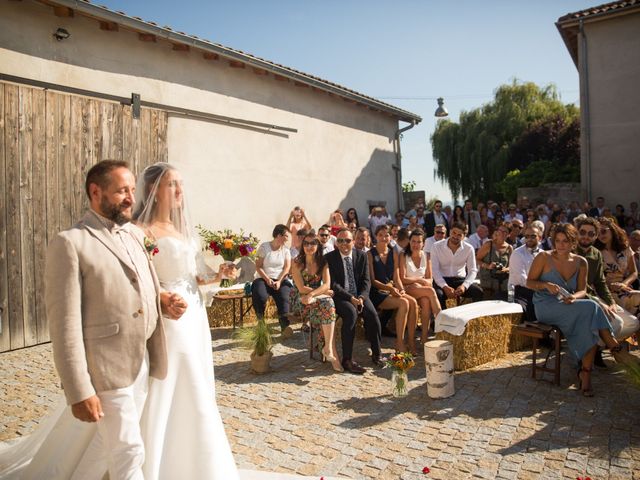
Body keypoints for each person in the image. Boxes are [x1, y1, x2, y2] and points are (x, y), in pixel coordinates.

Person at [3, 160, 184, 480]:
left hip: (141, 361)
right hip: (105, 367)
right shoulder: (70, 243)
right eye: (120, 191)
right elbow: (64, 326)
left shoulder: (134, 236)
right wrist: (78, 390)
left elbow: (142, 285)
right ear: (95, 192)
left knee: (104, 447)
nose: (130, 197)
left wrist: (162, 301)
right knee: (130, 450)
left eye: (131, 189)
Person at [133, 163, 239, 479]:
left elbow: (192, 276)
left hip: (195, 313)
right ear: (153, 190)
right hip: (170, 315)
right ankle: (157, 457)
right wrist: (160, 298)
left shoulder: (181, 230)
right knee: (175, 377)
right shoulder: (141, 231)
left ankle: (195, 459)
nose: (180, 191)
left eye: (181, 184)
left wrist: (217, 276)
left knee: (197, 377)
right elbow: (137, 278)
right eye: (172, 185)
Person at [526, 223, 632, 396]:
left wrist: (574, 297)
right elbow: (529, 282)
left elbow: (583, 290)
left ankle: (585, 373)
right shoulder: (543, 257)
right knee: (592, 307)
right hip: (545, 306)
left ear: (573, 243)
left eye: (565, 241)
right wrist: (545, 285)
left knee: (588, 322)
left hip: (569, 304)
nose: (561, 245)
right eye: (558, 241)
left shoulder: (581, 262)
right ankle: (613, 346)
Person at [575, 217, 639, 367]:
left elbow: (600, 281)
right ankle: (591, 352)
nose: (586, 236)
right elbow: (587, 286)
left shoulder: (596, 253)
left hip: (610, 292)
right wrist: (602, 300)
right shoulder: (574, 252)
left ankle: (597, 347)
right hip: (588, 296)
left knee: (634, 323)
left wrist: (612, 297)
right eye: (582, 232)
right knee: (617, 324)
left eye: (593, 233)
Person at [325, 228, 383, 373]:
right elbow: (334, 285)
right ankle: (347, 360)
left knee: (373, 315)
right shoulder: (329, 258)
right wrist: (351, 298)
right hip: (341, 297)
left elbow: (366, 281)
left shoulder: (362, 255)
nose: (344, 244)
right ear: (336, 243)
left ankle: (377, 354)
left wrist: (362, 297)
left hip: (359, 295)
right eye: (340, 240)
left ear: (353, 241)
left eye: (347, 240)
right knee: (351, 314)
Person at [289, 231, 342, 372]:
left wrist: (314, 294)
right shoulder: (296, 263)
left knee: (327, 305)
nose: (309, 246)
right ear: (302, 246)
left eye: (313, 243)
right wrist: (321, 292)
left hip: (315, 298)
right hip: (300, 300)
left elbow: (327, 284)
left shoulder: (323, 262)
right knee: (327, 304)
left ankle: (328, 348)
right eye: (306, 243)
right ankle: (330, 352)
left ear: (318, 245)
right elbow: (301, 288)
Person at [368, 225, 419, 354]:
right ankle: (400, 343)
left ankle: (411, 341)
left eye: (386, 235)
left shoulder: (394, 253)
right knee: (404, 303)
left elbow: (396, 277)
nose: (384, 238)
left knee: (413, 302)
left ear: (390, 237)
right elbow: (373, 281)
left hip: (392, 290)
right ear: (376, 236)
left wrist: (401, 289)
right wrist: (390, 289)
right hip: (377, 292)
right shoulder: (370, 253)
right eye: (381, 235)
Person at [399, 230, 441, 346]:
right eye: (413, 241)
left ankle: (424, 338)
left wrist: (420, 283)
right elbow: (402, 279)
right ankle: (441, 320)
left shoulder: (426, 256)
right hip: (407, 289)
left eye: (419, 242)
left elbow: (430, 280)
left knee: (426, 301)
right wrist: (419, 280)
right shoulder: (403, 255)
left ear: (423, 244)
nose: (415, 244)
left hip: (422, 290)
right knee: (431, 291)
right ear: (409, 241)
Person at [252, 224, 294, 337]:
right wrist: (267, 279)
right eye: (286, 236)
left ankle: (284, 325)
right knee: (260, 295)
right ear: (279, 235)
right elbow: (258, 266)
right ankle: (261, 323)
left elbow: (286, 268)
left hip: (280, 279)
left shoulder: (285, 251)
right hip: (263, 277)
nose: (287, 239)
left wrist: (279, 281)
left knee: (285, 295)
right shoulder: (264, 247)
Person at [431, 221, 483, 308]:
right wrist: (445, 287)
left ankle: (470, 319)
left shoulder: (469, 248)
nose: (455, 236)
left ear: (464, 236)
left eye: (459, 235)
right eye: (454, 233)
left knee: (478, 292)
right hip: (441, 280)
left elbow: (473, 270)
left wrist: (464, 286)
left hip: (460, 280)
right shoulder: (436, 246)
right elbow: (434, 270)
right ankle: (442, 319)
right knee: (438, 295)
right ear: (450, 231)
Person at [595, 217, 640, 315]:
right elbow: (594, 278)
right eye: (597, 233)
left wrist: (624, 283)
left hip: (623, 288)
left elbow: (634, 272)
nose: (600, 235)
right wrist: (610, 285)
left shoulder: (625, 248)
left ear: (612, 229)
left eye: (603, 231)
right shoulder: (596, 252)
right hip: (605, 291)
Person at [508, 225, 542, 322]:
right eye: (526, 236)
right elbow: (522, 280)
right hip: (517, 291)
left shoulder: (543, 254)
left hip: (537, 290)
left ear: (540, 237)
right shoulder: (517, 253)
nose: (529, 239)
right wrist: (542, 287)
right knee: (525, 311)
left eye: (533, 236)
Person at [476, 224, 513, 299]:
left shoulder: (509, 248)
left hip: (503, 283)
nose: (502, 233)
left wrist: (505, 269)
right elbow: (477, 259)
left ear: (509, 234)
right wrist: (487, 266)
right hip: (488, 283)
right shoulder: (488, 244)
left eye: (505, 232)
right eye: (500, 230)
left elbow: (512, 266)